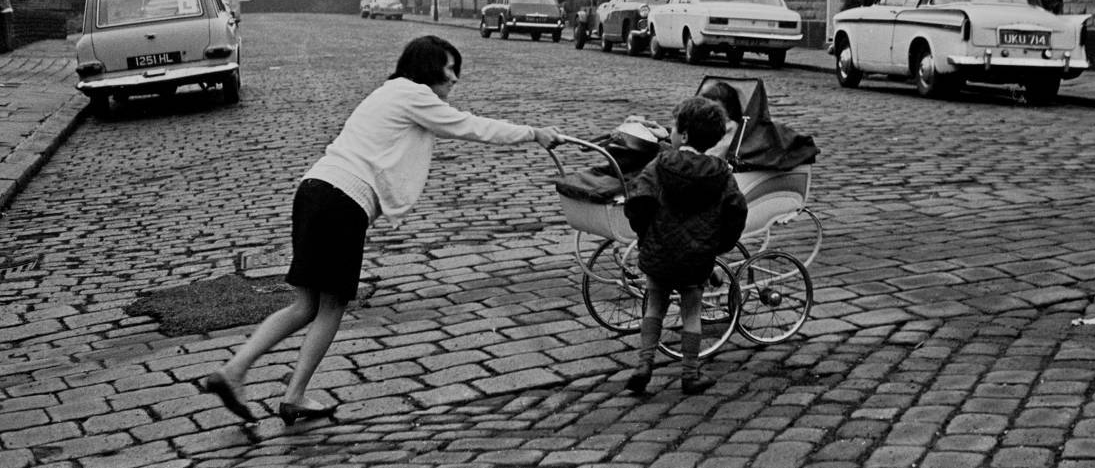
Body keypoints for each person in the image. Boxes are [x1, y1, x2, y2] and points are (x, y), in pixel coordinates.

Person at [202, 35, 563, 425]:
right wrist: (533, 133)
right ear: (428, 68)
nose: (455, 79)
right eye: (450, 69)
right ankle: (292, 394)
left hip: (314, 189)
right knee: (331, 307)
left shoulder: (390, 93)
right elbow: (470, 127)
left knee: (305, 305)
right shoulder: (414, 95)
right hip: (342, 201)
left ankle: (237, 370)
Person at [622, 96, 748, 396]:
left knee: (654, 306)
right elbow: (737, 210)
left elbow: (639, 200)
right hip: (697, 256)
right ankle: (690, 374)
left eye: (674, 128)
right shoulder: (720, 171)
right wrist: (719, 244)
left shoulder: (661, 163)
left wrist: (645, 234)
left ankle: (644, 364)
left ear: (686, 135)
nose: (671, 132)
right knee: (691, 312)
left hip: (660, 252)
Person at [696, 80, 744, 163]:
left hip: (708, 165)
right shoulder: (705, 124)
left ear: (729, 108)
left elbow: (714, 155)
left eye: (713, 107)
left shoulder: (731, 127)